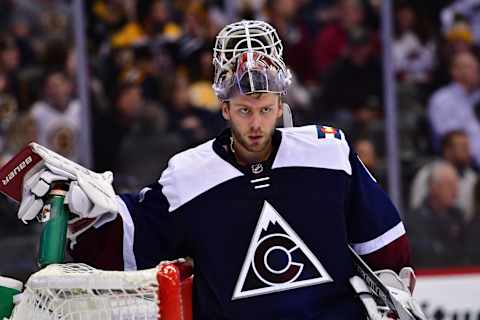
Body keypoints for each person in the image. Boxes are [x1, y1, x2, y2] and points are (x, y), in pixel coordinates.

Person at [15, 20, 424, 320]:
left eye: (266, 110)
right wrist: (86, 214)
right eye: (244, 111)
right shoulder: (189, 175)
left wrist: (393, 290)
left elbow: (387, 250)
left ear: (281, 105)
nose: (257, 123)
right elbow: (124, 248)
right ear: (224, 108)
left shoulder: (327, 153)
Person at [406, 161, 466, 267]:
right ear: (433, 187)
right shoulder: (414, 221)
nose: (456, 192)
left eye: (456, 185)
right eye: (450, 186)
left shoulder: (458, 216)